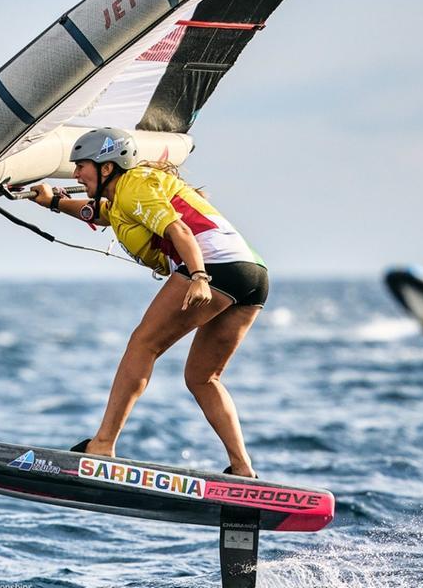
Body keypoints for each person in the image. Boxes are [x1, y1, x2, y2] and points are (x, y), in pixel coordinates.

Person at [29, 127, 267, 478]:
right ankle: (243, 468)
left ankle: (103, 445)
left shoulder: (135, 186)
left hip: (213, 265)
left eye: (81, 166)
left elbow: (179, 231)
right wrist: (52, 201)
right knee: (203, 377)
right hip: (252, 275)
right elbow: (103, 214)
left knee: (143, 344)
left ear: (106, 168)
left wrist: (199, 276)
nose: (76, 174)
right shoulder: (128, 195)